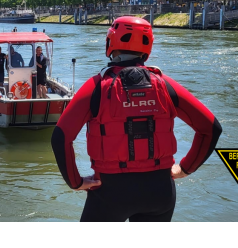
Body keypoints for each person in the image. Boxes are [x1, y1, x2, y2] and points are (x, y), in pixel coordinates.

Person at [51, 16, 222, 222]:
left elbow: (61, 137)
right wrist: (186, 168)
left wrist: (75, 182)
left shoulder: (96, 87)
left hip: (109, 194)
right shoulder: (166, 85)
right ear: (147, 48)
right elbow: (211, 128)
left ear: (110, 43)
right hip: (160, 192)